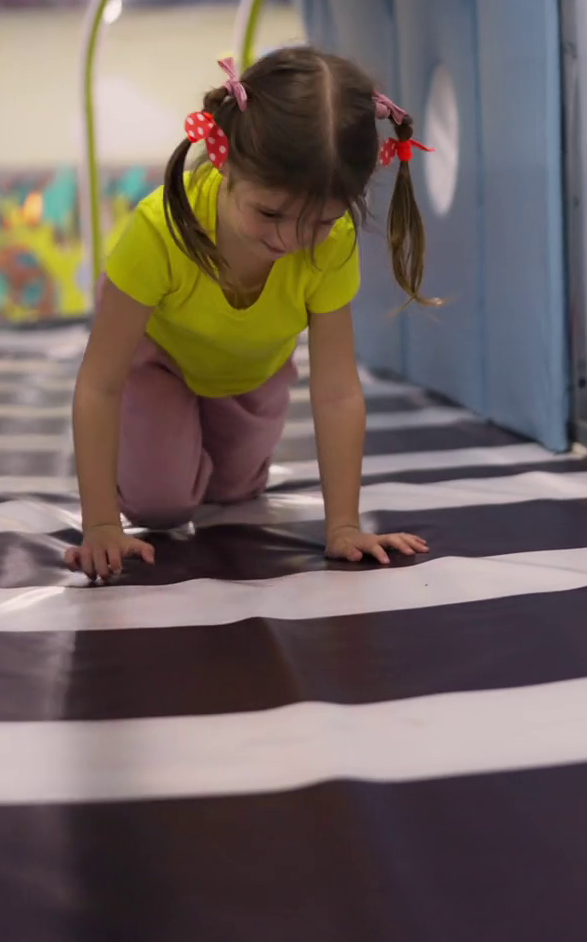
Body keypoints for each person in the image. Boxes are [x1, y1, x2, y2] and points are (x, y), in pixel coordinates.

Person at [65, 47, 433, 579]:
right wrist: (100, 524)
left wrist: (345, 527)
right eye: (268, 212)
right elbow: (100, 383)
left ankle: (212, 441)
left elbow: (336, 391)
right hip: (160, 366)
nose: (288, 240)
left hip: (250, 374)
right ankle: (168, 435)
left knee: (235, 492)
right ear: (224, 158)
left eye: (319, 221)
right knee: (161, 507)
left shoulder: (332, 245)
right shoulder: (157, 232)